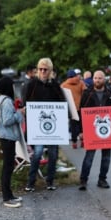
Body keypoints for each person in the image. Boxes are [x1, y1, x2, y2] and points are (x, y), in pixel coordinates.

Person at [22, 58, 66, 191]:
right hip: (37, 127)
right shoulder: (31, 84)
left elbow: (62, 102)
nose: (42, 71)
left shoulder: (55, 86)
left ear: (50, 71)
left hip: (53, 127)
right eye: (40, 69)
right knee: (38, 153)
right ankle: (31, 181)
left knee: (53, 154)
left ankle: (50, 181)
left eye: (45, 69)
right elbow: (26, 102)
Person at [78, 70, 111, 190]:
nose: (97, 80)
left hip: (108, 130)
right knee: (89, 156)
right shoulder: (87, 93)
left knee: (106, 156)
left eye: (99, 78)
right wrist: (81, 131)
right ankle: (83, 179)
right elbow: (81, 112)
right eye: (95, 78)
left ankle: (102, 179)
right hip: (92, 130)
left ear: (104, 79)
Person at [0, 77, 25, 208]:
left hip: (5, 137)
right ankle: (6, 198)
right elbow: (7, 121)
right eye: (12, 85)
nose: (14, 88)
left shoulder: (0, 99)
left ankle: (10, 194)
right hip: (7, 137)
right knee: (7, 168)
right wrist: (19, 114)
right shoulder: (7, 102)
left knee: (8, 167)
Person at [61, 69, 86, 149]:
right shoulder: (81, 83)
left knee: (73, 125)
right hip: (80, 106)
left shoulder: (64, 85)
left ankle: (74, 142)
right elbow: (85, 92)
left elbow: (61, 96)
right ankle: (83, 140)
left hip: (71, 108)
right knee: (82, 124)